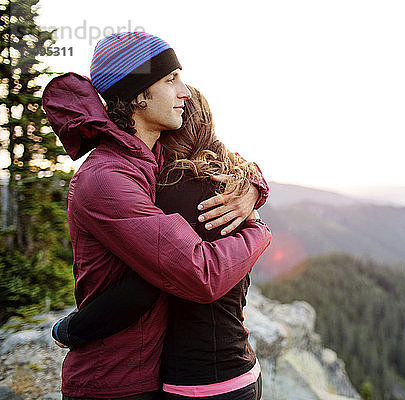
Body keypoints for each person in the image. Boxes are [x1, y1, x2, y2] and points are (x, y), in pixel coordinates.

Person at [41, 32, 271, 399]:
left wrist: (252, 187)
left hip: (155, 376)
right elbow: (200, 274)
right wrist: (259, 232)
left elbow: (223, 160)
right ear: (138, 96)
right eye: (170, 79)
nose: (186, 92)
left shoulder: (153, 157)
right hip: (113, 384)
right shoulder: (105, 180)